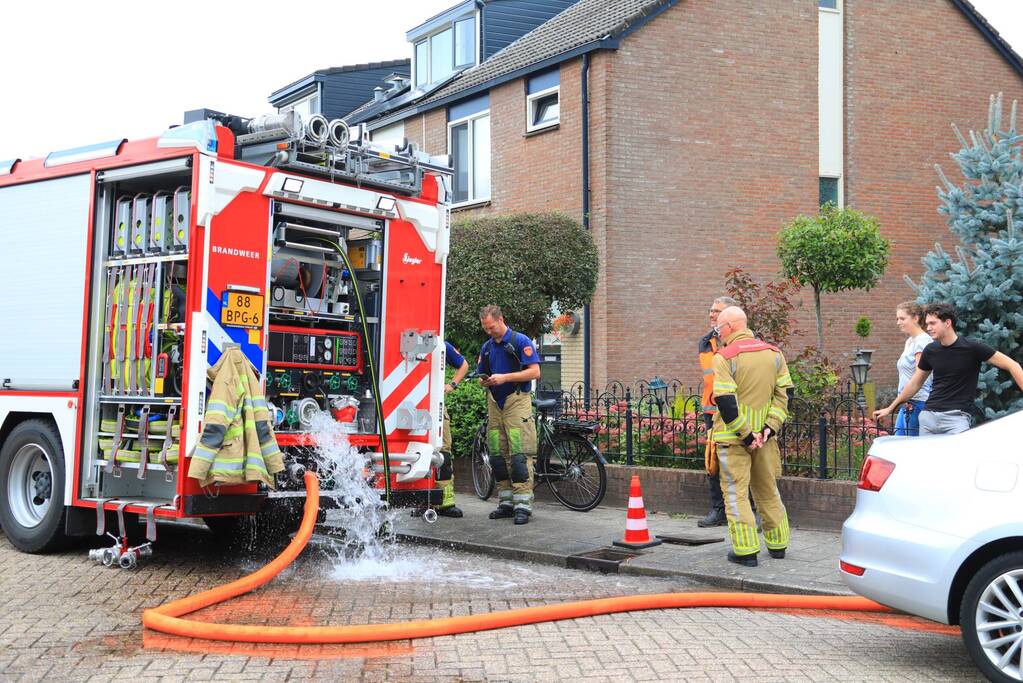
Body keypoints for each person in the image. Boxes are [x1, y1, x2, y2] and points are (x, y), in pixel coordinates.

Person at [710, 306, 793, 567]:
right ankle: (778, 545)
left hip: (735, 440)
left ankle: (745, 551)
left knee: (736, 494)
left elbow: (725, 400)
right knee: (768, 490)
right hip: (766, 439)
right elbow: (784, 396)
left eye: (719, 328)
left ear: (731, 327)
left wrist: (746, 435)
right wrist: (769, 429)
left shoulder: (724, 357)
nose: (717, 333)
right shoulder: (774, 353)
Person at [874, 303, 1023, 435]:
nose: (929, 328)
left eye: (933, 323)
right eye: (927, 324)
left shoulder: (972, 348)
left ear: (947, 323)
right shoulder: (930, 350)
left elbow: (1013, 365)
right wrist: (890, 407)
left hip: (956, 419)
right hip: (928, 418)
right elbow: (915, 383)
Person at [476, 305, 541, 525]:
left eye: (491, 327)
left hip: (516, 401)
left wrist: (505, 378)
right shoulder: (487, 347)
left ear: (501, 319)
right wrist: (484, 380)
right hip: (495, 403)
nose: (489, 332)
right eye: (485, 328)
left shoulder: (520, 341)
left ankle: (523, 505)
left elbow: (535, 371)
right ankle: (505, 502)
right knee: (497, 454)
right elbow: (479, 374)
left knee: (519, 454)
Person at [697, 296, 736, 528]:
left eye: (717, 311)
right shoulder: (705, 342)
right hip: (712, 411)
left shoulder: (739, 341)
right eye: (710, 310)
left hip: (735, 409)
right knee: (713, 461)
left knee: (741, 459)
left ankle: (751, 509)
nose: (711, 314)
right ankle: (718, 509)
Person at [436, 340, 469, 518]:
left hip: (436, 405)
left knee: (443, 453)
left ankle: (445, 502)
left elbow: (463, 364)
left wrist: (452, 385)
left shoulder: (442, 344)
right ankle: (424, 500)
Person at [892, 301, 933, 436]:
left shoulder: (922, 341)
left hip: (917, 403)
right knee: (898, 444)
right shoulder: (910, 341)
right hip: (906, 402)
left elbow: (919, 376)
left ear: (916, 318)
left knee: (911, 447)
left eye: (902, 318)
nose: (898, 322)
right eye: (897, 318)